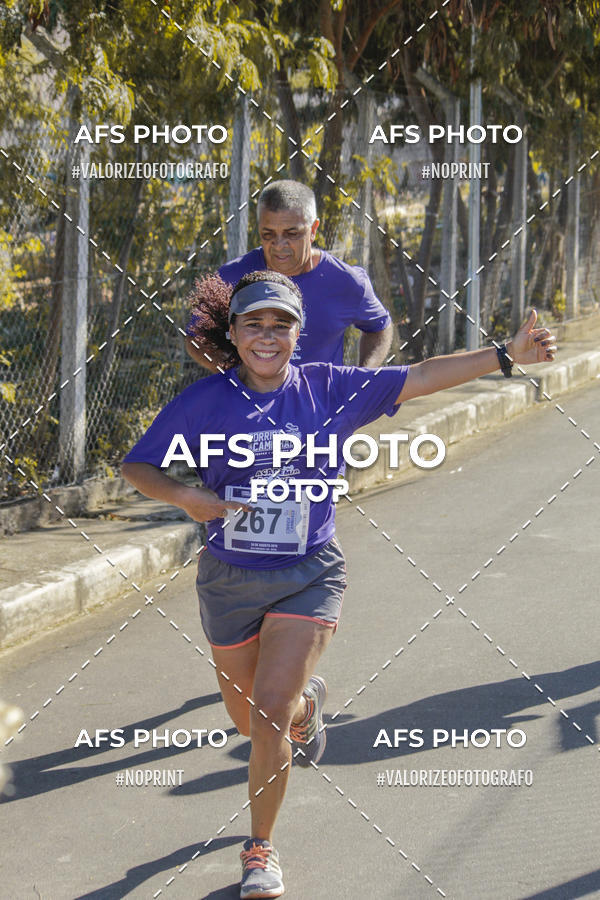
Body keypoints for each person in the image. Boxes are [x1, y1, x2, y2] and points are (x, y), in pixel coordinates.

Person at [122, 270, 555, 899]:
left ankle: (259, 849)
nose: (267, 336)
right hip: (229, 580)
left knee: (267, 714)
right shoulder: (204, 401)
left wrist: (505, 356)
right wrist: (187, 497)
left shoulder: (329, 387)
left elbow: (420, 375)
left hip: (310, 573)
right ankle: (307, 708)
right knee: (250, 721)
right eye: (254, 324)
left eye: (281, 325)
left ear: (299, 334)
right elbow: (138, 465)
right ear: (233, 332)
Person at [184, 179, 393, 371]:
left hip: (321, 400)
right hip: (250, 400)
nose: (279, 245)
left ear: (313, 230)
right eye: (268, 234)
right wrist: (234, 375)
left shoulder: (345, 281)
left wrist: (364, 374)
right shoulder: (230, 277)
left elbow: (379, 327)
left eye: (292, 234)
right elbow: (195, 339)